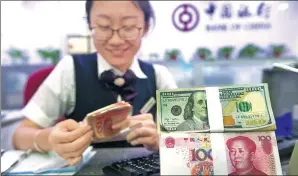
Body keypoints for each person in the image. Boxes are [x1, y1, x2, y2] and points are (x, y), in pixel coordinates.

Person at [12, 0, 177, 166]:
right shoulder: (69, 69)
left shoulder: (159, 76)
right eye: (104, 27)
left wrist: (160, 141)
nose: (115, 40)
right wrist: (49, 139)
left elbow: (190, 141)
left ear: (146, 27)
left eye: (128, 27)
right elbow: (20, 135)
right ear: (90, 25)